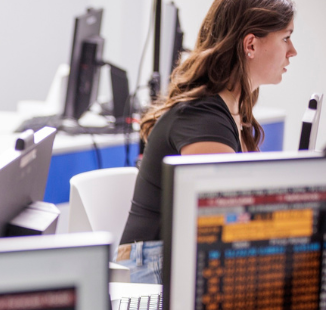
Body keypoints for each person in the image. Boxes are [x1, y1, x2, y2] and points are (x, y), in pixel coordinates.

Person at [117, 0, 297, 284]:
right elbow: (220, 218)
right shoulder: (204, 117)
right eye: (286, 38)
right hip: (151, 268)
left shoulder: (235, 109)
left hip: (176, 257)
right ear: (250, 45)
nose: (292, 51)